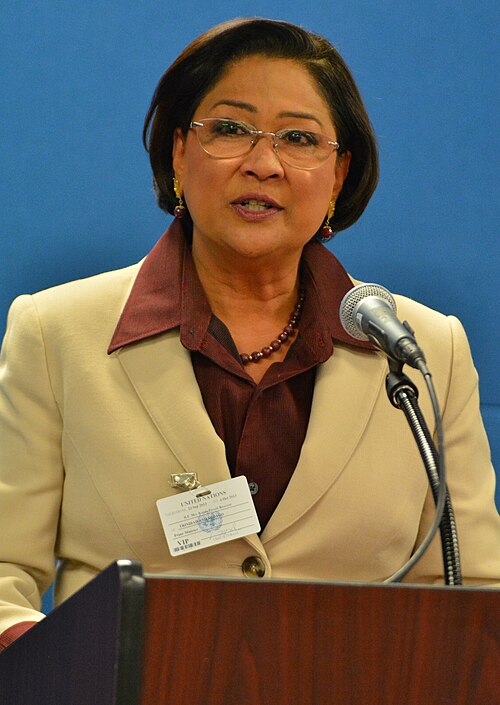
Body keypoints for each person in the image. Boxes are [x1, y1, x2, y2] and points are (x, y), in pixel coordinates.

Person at [0, 17, 499, 652]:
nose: (263, 164)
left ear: (339, 174)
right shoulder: (56, 333)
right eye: (230, 130)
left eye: (299, 138)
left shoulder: (423, 348)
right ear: (179, 153)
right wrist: (47, 664)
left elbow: (475, 588)